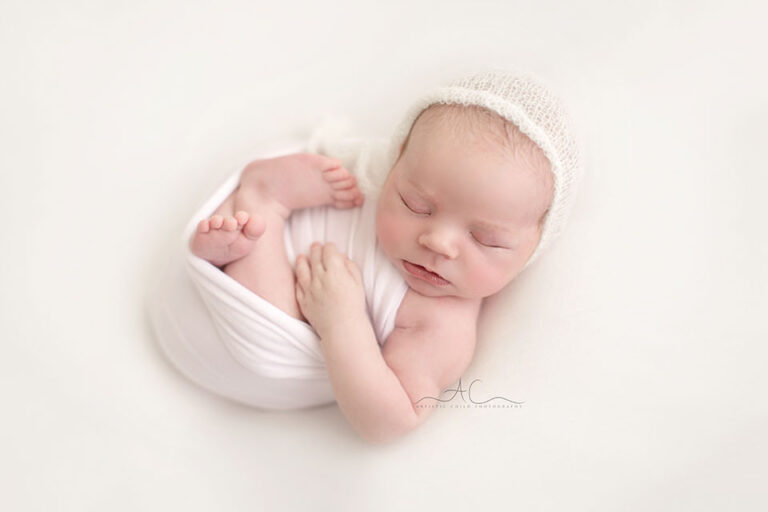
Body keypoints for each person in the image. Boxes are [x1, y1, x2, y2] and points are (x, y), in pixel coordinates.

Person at [173, 70, 582, 443]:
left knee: (274, 324)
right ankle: (241, 227)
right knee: (313, 174)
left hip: (249, 344)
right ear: (397, 161)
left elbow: (390, 420)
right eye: (416, 204)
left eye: (485, 238)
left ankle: (261, 202)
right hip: (231, 271)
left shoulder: (443, 326)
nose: (438, 241)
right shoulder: (373, 178)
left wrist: (342, 322)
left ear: (535, 246)